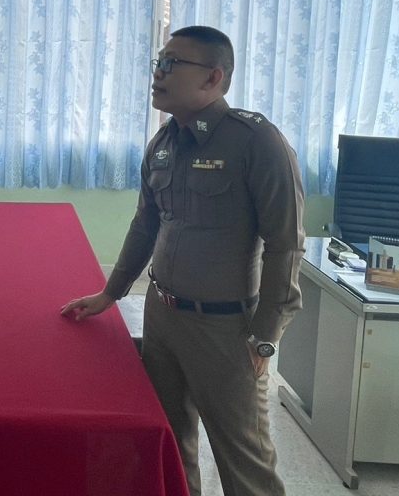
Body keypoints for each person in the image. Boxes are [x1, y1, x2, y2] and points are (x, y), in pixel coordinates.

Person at [61, 26, 305, 496]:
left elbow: (286, 246)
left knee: (246, 463)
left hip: (226, 330)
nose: (159, 73)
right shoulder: (163, 142)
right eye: (159, 62)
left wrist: (265, 338)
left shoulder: (257, 142)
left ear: (214, 77)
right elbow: (145, 225)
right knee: (171, 449)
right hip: (163, 316)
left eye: (172, 64)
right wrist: (111, 293)